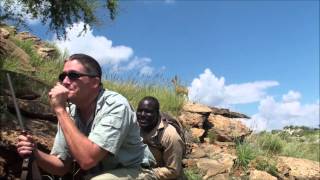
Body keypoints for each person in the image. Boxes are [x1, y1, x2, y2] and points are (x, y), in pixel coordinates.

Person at [16, 53, 156, 180]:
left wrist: (60, 110)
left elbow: (87, 160)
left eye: (73, 75)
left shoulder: (116, 105)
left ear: (95, 82)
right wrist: (35, 152)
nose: (64, 81)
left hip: (137, 172)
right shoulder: (68, 112)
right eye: (62, 76)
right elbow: (61, 167)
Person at [136, 96, 185, 180]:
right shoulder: (135, 126)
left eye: (148, 112)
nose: (142, 115)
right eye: (140, 111)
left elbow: (173, 171)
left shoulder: (170, 135)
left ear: (157, 113)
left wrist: (143, 175)